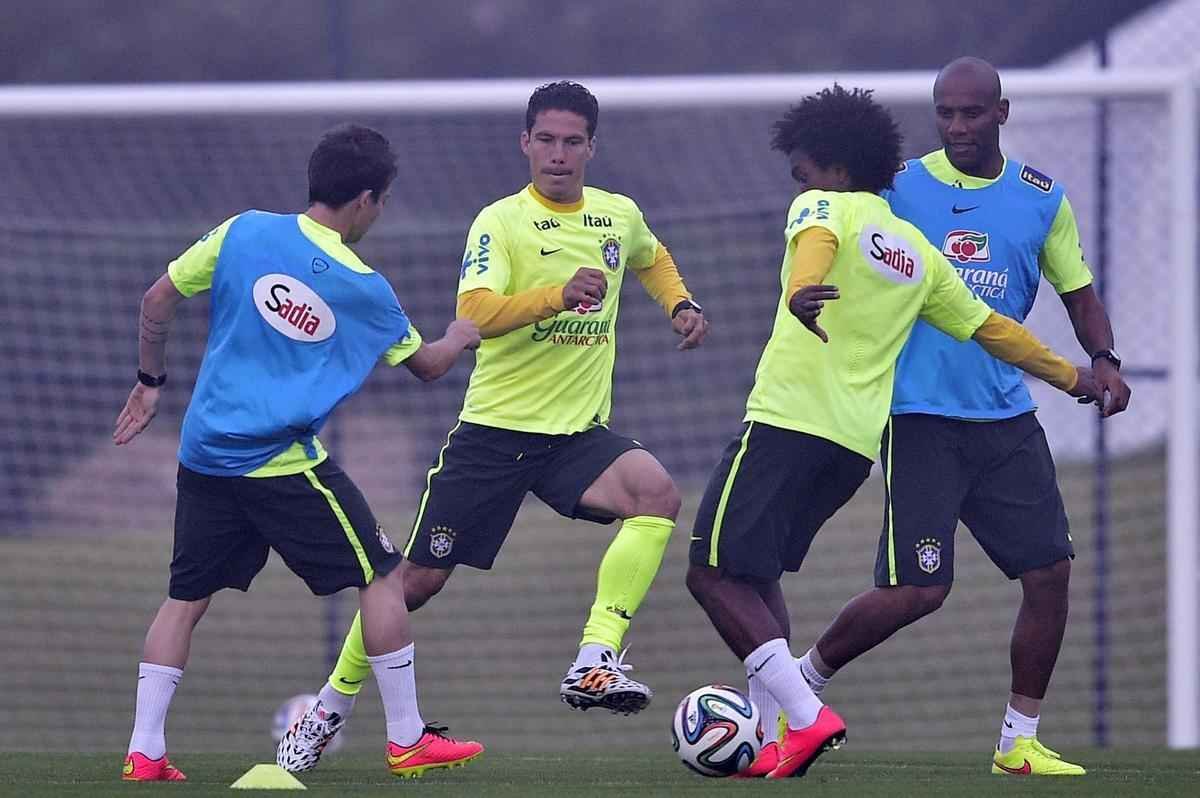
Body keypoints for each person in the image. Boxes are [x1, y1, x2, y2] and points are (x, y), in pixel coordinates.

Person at [277, 80, 709, 772]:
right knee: (414, 581)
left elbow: (651, 255)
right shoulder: (500, 222)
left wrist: (680, 305)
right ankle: (326, 709)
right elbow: (476, 312)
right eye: (546, 140)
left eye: (573, 142)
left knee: (656, 494)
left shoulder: (617, 216)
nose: (559, 155)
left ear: (592, 147)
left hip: (576, 436)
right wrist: (556, 296)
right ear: (525, 144)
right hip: (495, 433)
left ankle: (595, 658)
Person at [684, 84, 1105, 781]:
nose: (800, 183)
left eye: (804, 170)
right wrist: (1074, 377)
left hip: (787, 424)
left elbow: (815, 238)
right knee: (756, 573)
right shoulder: (916, 251)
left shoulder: (825, 207)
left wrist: (800, 287)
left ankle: (804, 713)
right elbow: (996, 330)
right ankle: (766, 734)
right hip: (850, 447)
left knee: (709, 573)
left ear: (837, 169)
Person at [790, 58, 1131, 778]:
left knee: (1049, 574)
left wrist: (1104, 357)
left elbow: (1078, 291)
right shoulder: (901, 185)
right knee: (918, 590)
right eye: (946, 113)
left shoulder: (1042, 198)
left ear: (1001, 114)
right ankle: (798, 684)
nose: (957, 126)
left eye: (972, 113)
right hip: (918, 417)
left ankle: (1019, 741)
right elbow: (834, 222)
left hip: (1006, 419)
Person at [114, 124, 484, 782]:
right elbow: (427, 366)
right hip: (280, 462)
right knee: (383, 576)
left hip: (203, 455)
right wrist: (460, 334)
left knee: (184, 599)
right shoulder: (364, 287)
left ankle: (145, 752)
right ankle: (406, 740)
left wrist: (149, 384)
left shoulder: (243, 230)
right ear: (367, 199)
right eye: (384, 202)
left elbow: (156, 300)